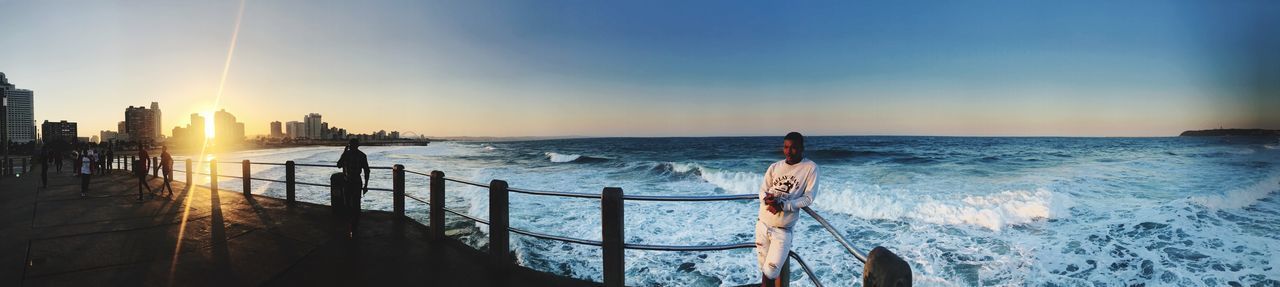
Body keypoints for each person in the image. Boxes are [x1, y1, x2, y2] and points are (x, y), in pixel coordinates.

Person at [755, 132, 819, 287]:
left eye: (794, 147)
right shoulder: (774, 167)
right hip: (762, 224)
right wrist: (767, 200)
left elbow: (808, 198)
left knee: (770, 272)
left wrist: (783, 205)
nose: (789, 151)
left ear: (802, 148)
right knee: (764, 267)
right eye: (786, 147)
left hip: (782, 230)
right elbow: (763, 190)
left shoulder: (810, 168)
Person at [336, 138, 370, 238]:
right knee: (356, 204)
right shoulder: (362, 155)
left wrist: (344, 152)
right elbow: (367, 171)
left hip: (348, 181)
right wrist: (366, 185)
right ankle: (354, 226)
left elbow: (338, 165)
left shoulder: (347, 154)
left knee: (348, 204)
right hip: (356, 181)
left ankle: (351, 225)